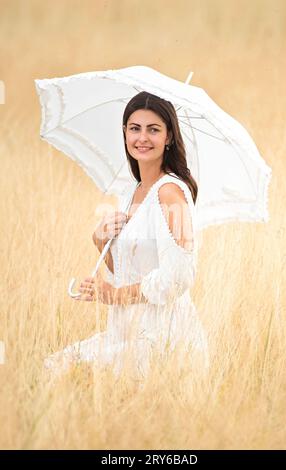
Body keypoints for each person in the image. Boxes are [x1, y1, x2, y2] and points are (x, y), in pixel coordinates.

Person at [44, 91, 209, 381]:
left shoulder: (170, 193)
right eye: (135, 128)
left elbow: (179, 277)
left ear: (169, 136)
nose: (142, 138)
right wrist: (99, 243)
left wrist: (114, 295)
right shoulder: (131, 192)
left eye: (153, 129)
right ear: (125, 133)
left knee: (71, 372)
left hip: (162, 337)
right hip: (124, 330)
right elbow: (126, 272)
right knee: (56, 366)